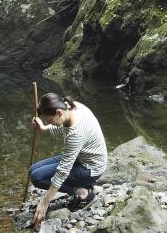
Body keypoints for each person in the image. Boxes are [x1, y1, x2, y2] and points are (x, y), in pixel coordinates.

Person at [29, 93, 108, 226]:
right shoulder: (72, 106)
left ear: (58, 113)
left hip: (90, 168)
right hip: (81, 156)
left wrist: (45, 202)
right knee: (33, 170)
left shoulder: (75, 134)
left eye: (49, 121)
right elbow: (62, 124)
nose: (50, 123)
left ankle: (83, 192)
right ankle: (81, 186)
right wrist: (44, 128)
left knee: (37, 177)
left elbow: (62, 171)